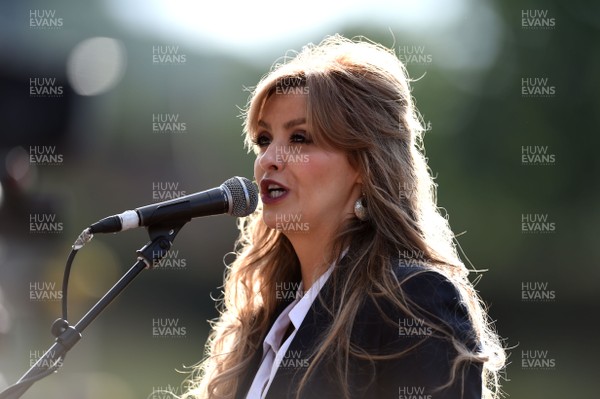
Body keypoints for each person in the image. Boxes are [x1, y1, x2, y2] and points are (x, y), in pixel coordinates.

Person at [182, 34, 505, 399]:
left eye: (300, 138)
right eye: (263, 139)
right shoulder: (266, 323)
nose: (269, 158)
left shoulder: (413, 300)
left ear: (364, 166)